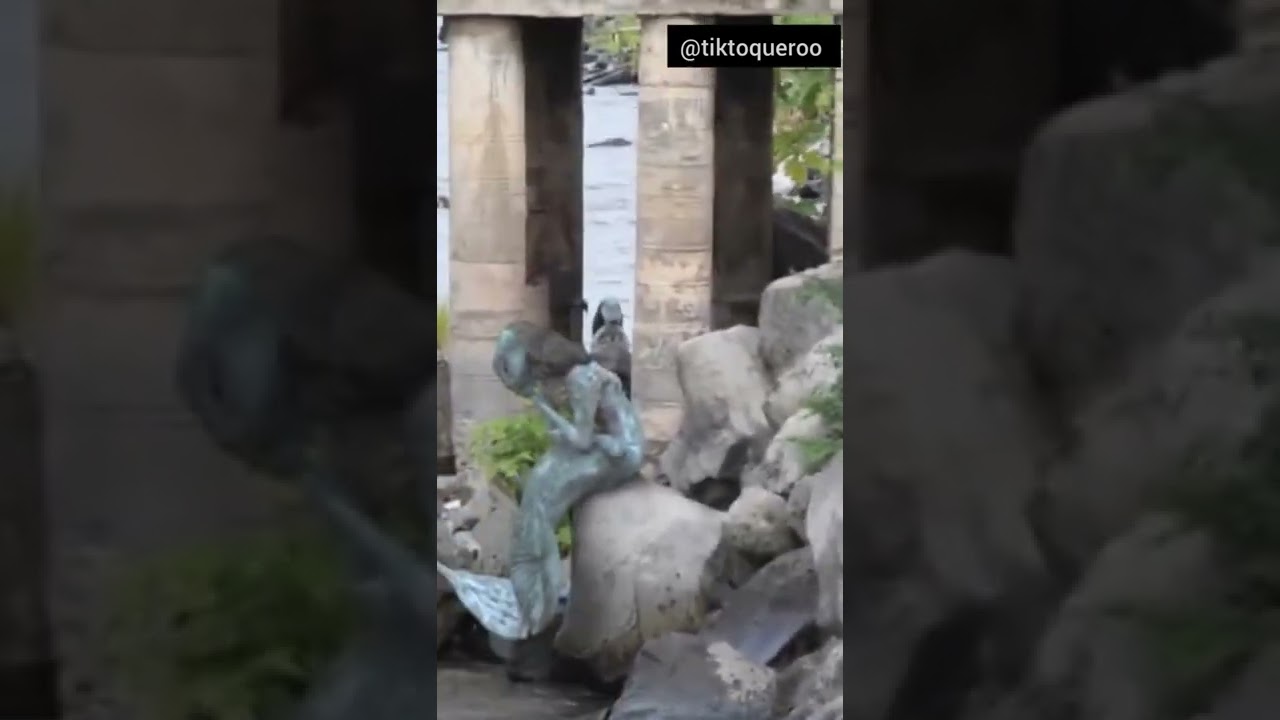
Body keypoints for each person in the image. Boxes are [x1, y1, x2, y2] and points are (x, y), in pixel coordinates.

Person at [440, 321, 645, 638]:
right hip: (604, 444)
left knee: (542, 497)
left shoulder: (582, 378)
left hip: (620, 452)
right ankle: (533, 590)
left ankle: (538, 606)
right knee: (538, 487)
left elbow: (581, 440)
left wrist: (543, 407)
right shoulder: (575, 375)